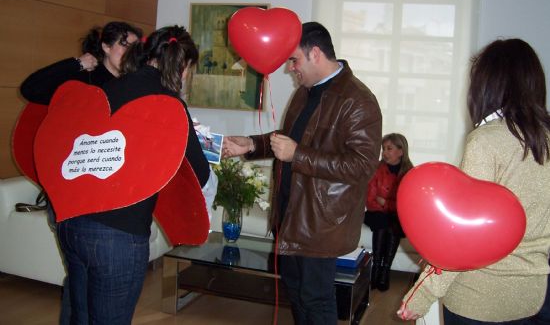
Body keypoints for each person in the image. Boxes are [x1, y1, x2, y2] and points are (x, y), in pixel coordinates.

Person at [223, 21, 382, 324]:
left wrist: (299, 155)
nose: (290, 69)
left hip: (321, 224)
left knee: (316, 301)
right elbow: (290, 137)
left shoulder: (358, 99)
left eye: (294, 60)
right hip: (291, 216)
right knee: (296, 294)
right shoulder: (306, 91)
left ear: (316, 54)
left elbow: (362, 166)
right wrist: (252, 145)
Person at [56, 25, 212, 324]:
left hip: (72, 222)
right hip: (117, 233)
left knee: (80, 317)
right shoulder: (169, 103)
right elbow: (199, 173)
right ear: (184, 67)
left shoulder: (106, 89)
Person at [397, 38, 550, 324]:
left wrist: (421, 296)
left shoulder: (486, 140)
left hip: (479, 299)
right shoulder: (546, 138)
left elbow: (462, 237)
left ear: (488, 85)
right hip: (534, 296)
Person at [19, 21, 142, 325]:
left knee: (88, 286)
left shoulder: (130, 86)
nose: (131, 52)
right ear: (104, 47)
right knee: (78, 285)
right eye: (125, 44)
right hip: (70, 198)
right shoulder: (83, 79)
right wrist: (76, 63)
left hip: (104, 202)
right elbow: (30, 88)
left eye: (135, 46)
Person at [364, 133, 413, 292]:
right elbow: (370, 199)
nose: (384, 152)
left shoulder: (409, 173)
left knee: (394, 223)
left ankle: (385, 269)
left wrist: (386, 202)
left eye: (389, 148)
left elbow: (407, 203)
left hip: (396, 215)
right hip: (376, 213)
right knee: (382, 222)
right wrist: (388, 206)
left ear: (401, 151)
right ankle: (377, 267)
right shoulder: (376, 169)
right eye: (383, 148)